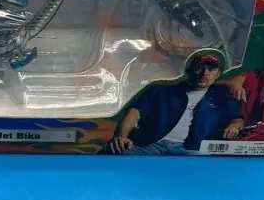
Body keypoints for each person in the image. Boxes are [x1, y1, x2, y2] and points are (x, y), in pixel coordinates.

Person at [102, 50, 243, 155]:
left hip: (189, 150)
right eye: (200, 67)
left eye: (211, 70)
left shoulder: (220, 98)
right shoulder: (161, 90)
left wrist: (235, 126)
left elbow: (237, 119)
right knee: (111, 153)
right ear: (189, 70)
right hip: (149, 144)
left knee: (206, 172)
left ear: (218, 73)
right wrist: (121, 137)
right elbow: (134, 112)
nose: (205, 73)